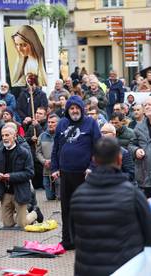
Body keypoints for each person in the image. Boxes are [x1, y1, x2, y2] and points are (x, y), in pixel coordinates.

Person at [70, 137, 151, 276]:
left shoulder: (78, 195)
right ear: (119, 159)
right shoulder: (133, 195)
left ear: (94, 159)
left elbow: (73, 237)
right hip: (127, 269)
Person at [50, 95, 101, 250]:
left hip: (84, 174)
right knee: (67, 209)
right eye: (71, 108)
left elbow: (99, 147)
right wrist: (54, 168)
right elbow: (56, 148)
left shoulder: (91, 123)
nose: (74, 111)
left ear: (82, 109)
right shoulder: (62, 124)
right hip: (65, 173)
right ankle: (68, 240)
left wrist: (92, 167)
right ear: (68, 110)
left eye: (77, 108)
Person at [0, 123, 43, 227]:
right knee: (7, 224)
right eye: (3, 136)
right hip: (5, 192)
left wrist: (11, 176)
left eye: (7, 135)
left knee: (22, 224)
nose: (4, 138)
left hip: (19, 192)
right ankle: (21, 215)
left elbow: (30, 173)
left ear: (15, 136)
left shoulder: (24, 152)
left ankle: (34, 213)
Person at [24, 106, 47, 189]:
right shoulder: (32, 126)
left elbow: (45, 137)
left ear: (45, 116)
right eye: (36, 113)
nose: (37, 115)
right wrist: (31, 139)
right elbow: (25, 139)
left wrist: (37, 126)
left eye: (40, 114)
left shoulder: (47, 125)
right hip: (33, 158)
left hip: (42, 158)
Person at [36, 114, 59, 200]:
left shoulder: (62, 136)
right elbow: (38, 152)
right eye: (49, 122)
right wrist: (44, 161)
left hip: (58, 173)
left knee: (59, 198)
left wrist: (53, 161)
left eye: (52, 122)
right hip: (46, 171)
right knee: (49, 198)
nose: (50, 124)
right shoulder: (42, 136)